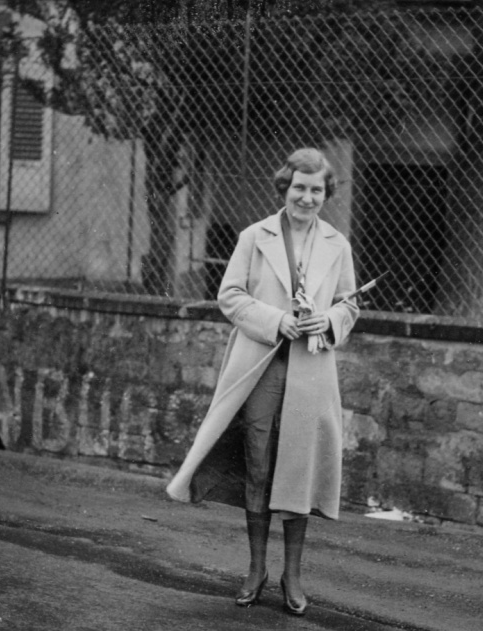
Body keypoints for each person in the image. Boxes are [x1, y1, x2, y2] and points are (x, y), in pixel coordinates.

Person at [165, 148, 359, 616]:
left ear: (326, 193)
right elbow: (229, 295)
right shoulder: (255, 237)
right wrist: (276, 321)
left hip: (311, 370)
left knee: (297, 469)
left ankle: (292, 577)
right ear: (284, 188)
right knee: (258, 463)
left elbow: (350, 304)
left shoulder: (338, 243)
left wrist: (328, 321)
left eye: (316, 190)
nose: (307, 198)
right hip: (262, 364)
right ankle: (256, 570)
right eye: (299, 188)